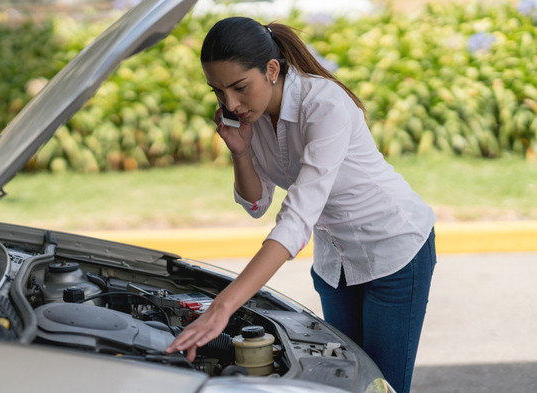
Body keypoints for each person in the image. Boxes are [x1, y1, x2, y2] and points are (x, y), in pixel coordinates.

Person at [165, 16, 437, 393]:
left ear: (271, 69)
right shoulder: (252, 117)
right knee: (341, 383)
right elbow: (257, 205)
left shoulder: (324, 105)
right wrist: (241, 153)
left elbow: (296, 220)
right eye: (218, 92)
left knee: (381, 387)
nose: (231, 103)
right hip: (336, 263)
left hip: (394, 249)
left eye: (239, 87)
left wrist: (222, 308)